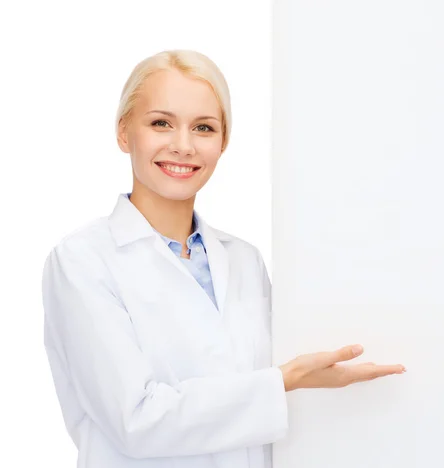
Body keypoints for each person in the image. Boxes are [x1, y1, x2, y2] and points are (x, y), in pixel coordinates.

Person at [41, 49, 407, 468]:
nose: (183, 146)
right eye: (161, 123)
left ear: (223, 142)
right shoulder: (82, 261)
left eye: (203, 128)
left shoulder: (245, 262)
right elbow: (136, 420)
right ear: (124, 133)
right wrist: (284, 382)